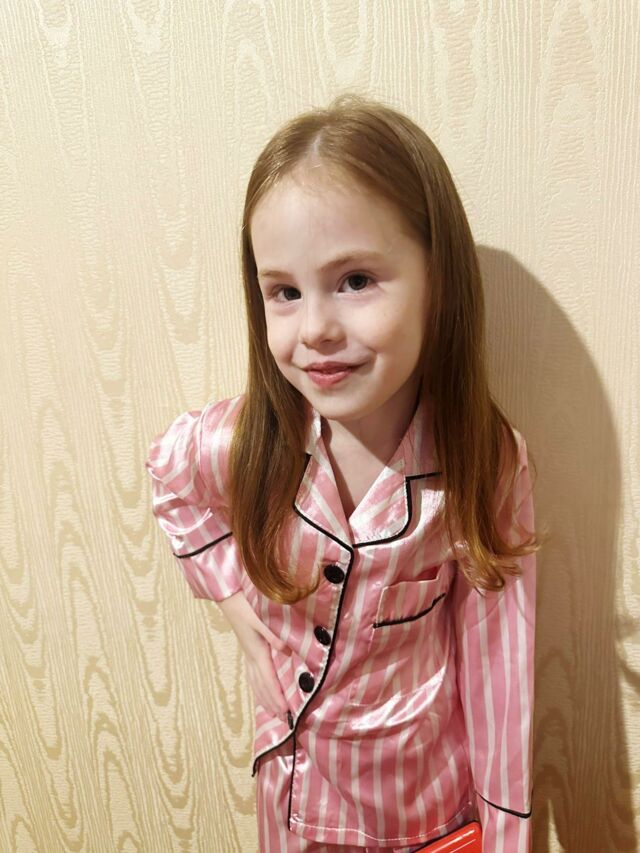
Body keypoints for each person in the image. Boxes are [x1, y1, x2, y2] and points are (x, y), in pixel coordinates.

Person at [144, 93, 539, 853]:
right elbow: (172, 477)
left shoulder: (482, 461)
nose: (317, 328)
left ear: (438, 279)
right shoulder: (247, 442)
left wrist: (506, 835)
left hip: (425, 812)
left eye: (355, 280)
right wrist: (235, 608)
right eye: (284, 292)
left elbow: (500, 664)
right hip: (292, 801)